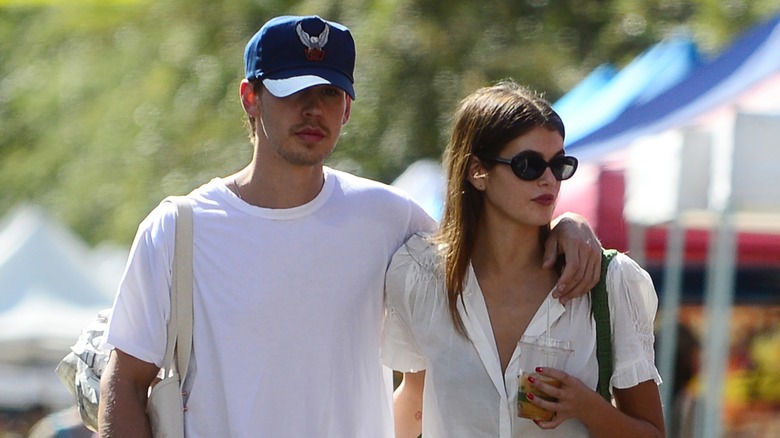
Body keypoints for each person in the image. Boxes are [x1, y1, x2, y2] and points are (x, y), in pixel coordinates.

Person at [97, 16, 602, 437]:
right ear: (251, 98)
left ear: (348, 109)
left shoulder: (389, 217)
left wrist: (567, 225)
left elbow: (491, 249)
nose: (313, 109)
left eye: (330, 93)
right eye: (294, 91)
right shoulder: (177, 229)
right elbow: (125, 381)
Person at [384, 80, 665, 437]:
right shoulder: (420, 275)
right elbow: (415, 403)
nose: (549, 179)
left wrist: (586, 406)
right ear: (477, 171)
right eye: (529, 165)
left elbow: (653, 432)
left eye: (560, 165)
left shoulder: (607, 281)